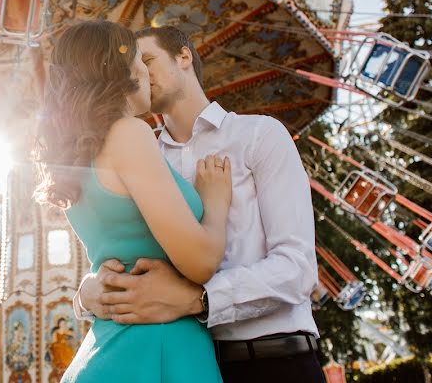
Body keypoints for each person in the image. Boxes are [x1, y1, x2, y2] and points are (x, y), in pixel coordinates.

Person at [76, 25, 323, 383]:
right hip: (189, 360)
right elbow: (118, 249)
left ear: (184, 56)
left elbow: (298, 268)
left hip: (274, 357)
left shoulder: (258, 135)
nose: (140, 73)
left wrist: (200, 299)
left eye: (147, 60)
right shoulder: (138, 154)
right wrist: (85, 294)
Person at [35, 20, 232, 382]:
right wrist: (216, 203)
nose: (143, 68)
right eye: (138, 59)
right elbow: (201, 263)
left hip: (110, 346)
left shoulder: (81, 157)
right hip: (157, 346)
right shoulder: (129, 133)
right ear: (122, 69)